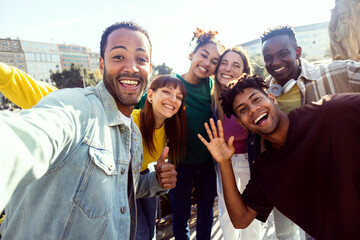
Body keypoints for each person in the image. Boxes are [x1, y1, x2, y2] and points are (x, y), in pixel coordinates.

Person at [0, 21, 177, 240]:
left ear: (149, 69)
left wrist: (156, 181)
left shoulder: (133, 134)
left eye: (141, 59)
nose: (131, 67)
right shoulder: (76, 108)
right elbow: (21, 140)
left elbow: (123, 187)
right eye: (119, 57)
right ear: (101, 65)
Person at [198, 74, 360, 240]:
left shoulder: (330, 112)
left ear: (272, 99)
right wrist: (224, 163)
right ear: (241, 123)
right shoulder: (265, 170)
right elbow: (240, 220)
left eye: (256, 99)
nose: (253, 109)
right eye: (243, 110)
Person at [259, 25, 360, 239]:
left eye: (283, 53)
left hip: (341, 182)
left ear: (298, 52)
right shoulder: (262, 96)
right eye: (268, 58)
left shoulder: (338, 72)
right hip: (301, 187)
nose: (275, 62)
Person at [212, 46, 261, 239]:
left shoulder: (251, 95)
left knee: (251, 213)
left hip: (251, 160)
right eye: (223, 63)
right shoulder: (212, 98)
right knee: (227, 213)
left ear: (243, 72)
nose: (227, 68)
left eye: (235, 65)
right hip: (225, 162)